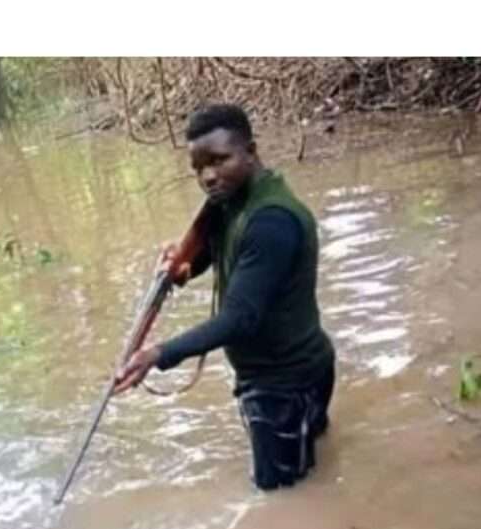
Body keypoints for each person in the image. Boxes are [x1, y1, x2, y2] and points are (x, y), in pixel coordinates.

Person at [114, 104, 338, 491]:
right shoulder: (233, 198)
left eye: (219, 160)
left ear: (250, 151)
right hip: (304, 365)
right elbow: (215, 246)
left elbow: (240, 318)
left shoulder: (270, 221)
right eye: (198, 168)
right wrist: (184, 268)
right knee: (314, 473)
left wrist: (158, 354)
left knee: (282, 499)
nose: (208, 177)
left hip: (282, 386)